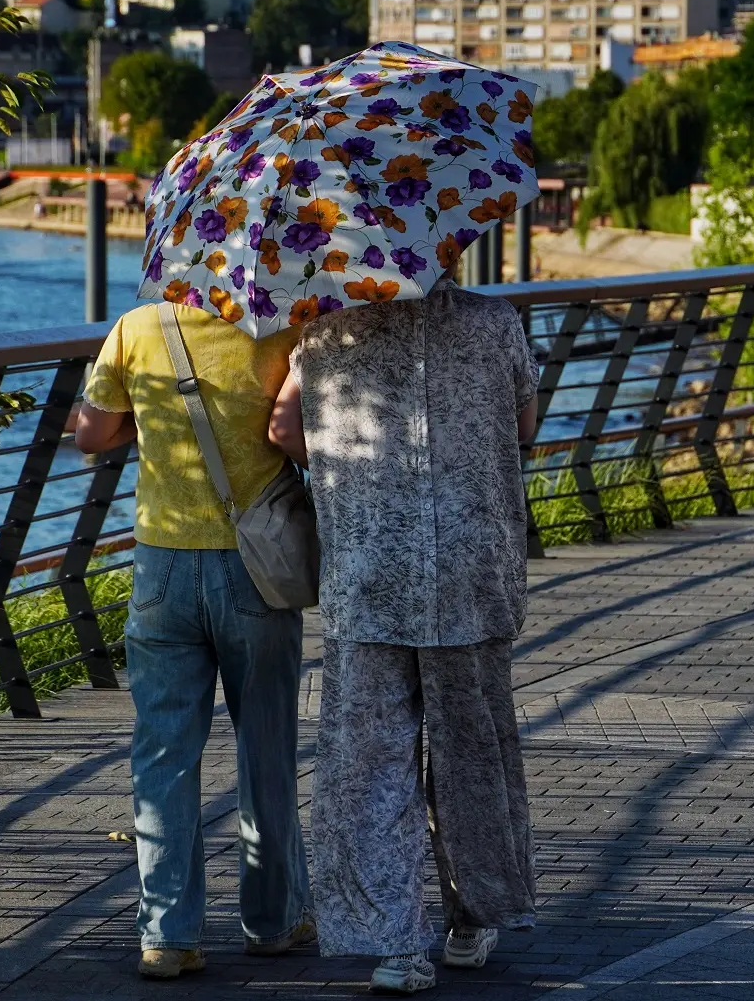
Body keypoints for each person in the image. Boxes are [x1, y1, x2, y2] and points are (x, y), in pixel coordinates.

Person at [268, 277, 539, 996]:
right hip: (471, 570)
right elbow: (524, 427)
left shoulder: (328, 333)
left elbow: (282, 431)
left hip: (368, 573)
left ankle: (393, 943)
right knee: (473, 754)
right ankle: (471, 916)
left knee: (368, 764)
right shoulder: (494, 323)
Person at [74, 301, 314, 979]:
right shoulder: (283, 329)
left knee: (163, 750)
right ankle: (273, 921)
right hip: (255, 565)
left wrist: (144, 426)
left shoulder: (137, 326)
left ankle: (168, 935)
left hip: (161, 565)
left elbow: (92, 436)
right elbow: (293, 431)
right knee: (265, 744)